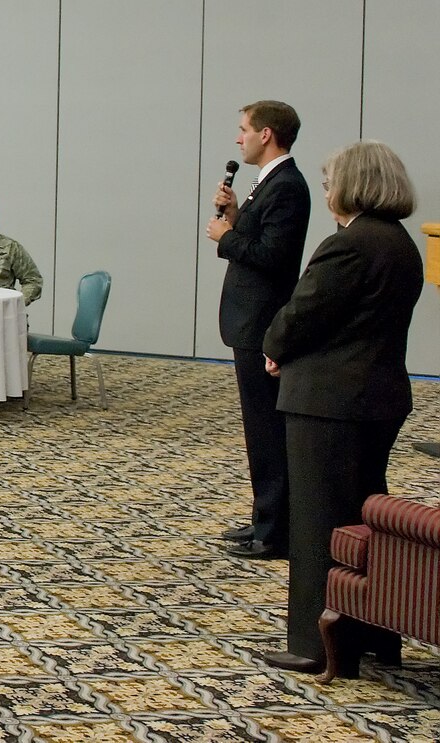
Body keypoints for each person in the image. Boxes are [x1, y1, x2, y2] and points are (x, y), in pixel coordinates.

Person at [256, 140, 421, 673]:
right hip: (378, 397)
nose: (327, 192)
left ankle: (314, 644)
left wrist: (275, 348)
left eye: (330, 183)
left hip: (329, 403)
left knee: (318, 523)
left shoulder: (348, 244)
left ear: (354, 185)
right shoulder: (399, 243)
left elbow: (304, 312)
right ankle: (373, 630)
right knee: (364, 517)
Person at [208, 100, 311, 561]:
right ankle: (264, 517)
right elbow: (258, 243)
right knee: (258, 428)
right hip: (248, 319)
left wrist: (225, 237)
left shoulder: (287, 186)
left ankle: (274, 531)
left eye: (243, 129)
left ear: (266, 134)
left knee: (267, 429)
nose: (238, 138)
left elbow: (273, 257)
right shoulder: (266, 183)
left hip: (261, 321)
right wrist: (233, 219)